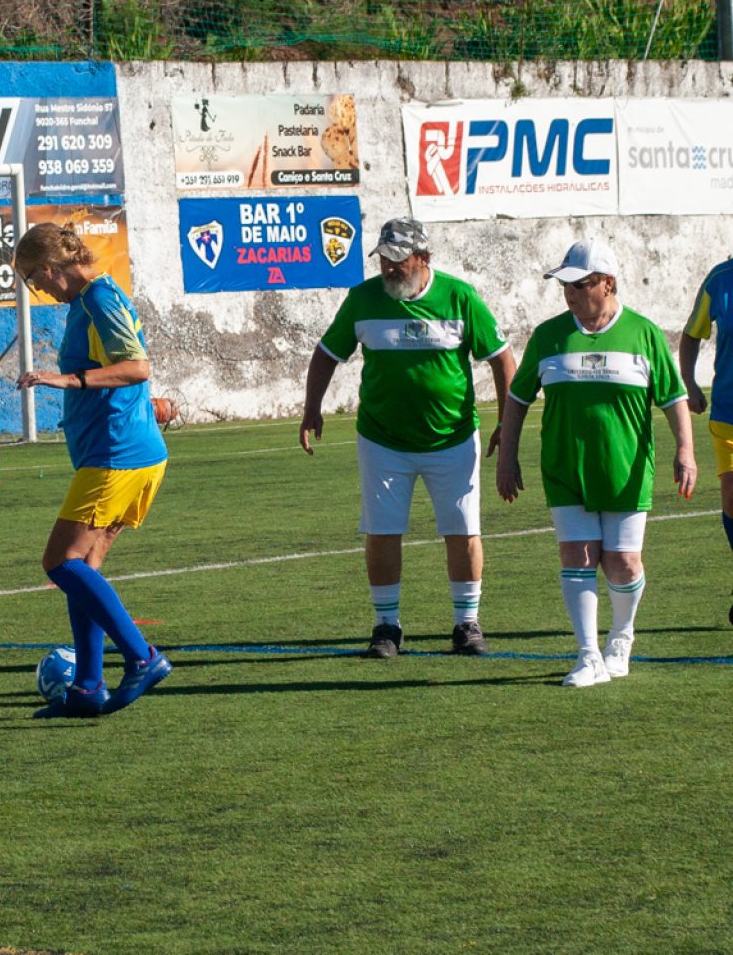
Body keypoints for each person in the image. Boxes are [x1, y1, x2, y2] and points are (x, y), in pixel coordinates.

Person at [299, 217, 516, 658]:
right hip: (383, 442)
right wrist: (311, 409)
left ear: (423, 258)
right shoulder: (362, 299)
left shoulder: (460, 297)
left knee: (463, 530)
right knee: (382, 532)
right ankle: (385, 627)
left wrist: (505, 423)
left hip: (452, 440)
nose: (390, 269)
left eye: (399, 260)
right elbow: (326, 355)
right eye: (384, 260)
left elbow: (501, 359)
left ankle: (467, 623)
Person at [497, 239, 696, 687]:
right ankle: (588, 656)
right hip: (565, 468)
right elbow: (517, 398)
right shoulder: (548, 336)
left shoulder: (643, 333)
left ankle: (621, 638)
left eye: (579, 284)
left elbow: (674, 398)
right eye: (564, 285)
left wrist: (685, 451)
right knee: (578, 555)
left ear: (607, 284)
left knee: (623, 562)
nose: (569, 294)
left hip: (626, 469)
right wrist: (507, 458)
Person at [13, 222, 171, 718]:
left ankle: (142, 657)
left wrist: (67, 380)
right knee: (83, 567)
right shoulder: (89, 301)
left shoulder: (99, 298)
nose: (36, 290)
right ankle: (86, 688)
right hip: (125, 453)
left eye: (32, 280)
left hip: (115, 454)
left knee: (60, 563)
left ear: (50, 268)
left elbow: (137, 366)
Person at [679, 253, 733, 624]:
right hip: (729, 410)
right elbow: (691, 335)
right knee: (732, 497)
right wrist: (690, 381)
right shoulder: (720, 279)